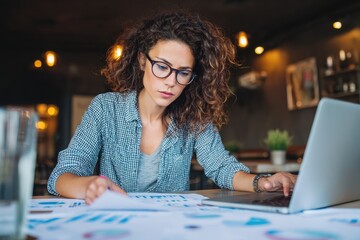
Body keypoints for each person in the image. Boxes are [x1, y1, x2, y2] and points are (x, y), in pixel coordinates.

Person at [47, 11, 297, 204]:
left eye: (183, 72)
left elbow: (222, 168)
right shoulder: (105, 108)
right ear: (143, 61)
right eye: (163, 66)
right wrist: (88, 185)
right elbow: (62, 175)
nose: (171, 81)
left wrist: (263, 183)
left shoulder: (195, 117)